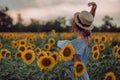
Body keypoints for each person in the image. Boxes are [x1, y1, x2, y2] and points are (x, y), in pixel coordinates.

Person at [57, 2, 97, 80]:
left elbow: (77, 65)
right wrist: (93, 9)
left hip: (75, 76)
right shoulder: (86, 39)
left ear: (75, 25)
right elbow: (88, 21)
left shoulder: (76, 44)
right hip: (83, 74)